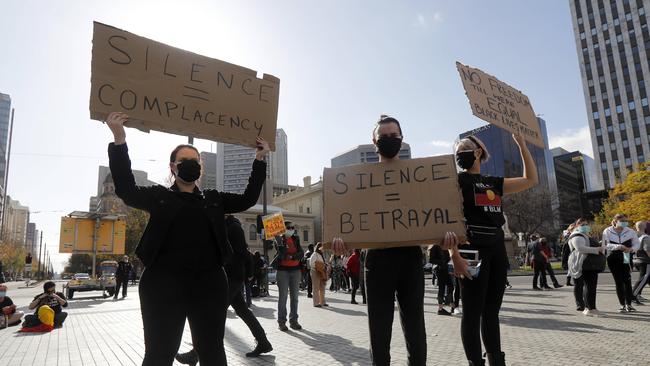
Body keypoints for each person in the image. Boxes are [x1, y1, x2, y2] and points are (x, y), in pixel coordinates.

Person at [105, 111, 269, 366]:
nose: (191, 164)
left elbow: (248, 198)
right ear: (173, 166)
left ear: (200, 168)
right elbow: (126, 190)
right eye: (184, 160)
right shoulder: (159, 196)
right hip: (163, 285)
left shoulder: (214, 199)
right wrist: (119, 140)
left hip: (210, 284)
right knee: (159, 353)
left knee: (212, 352)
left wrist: (259, 160)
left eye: (195, 161)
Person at [332, 115, 464, 365]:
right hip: (377, 260)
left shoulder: (418, 178)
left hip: (410, 257)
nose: (390, 140)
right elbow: (352, 220)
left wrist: (446, 241)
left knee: (415, 327)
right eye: (384, 137)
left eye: (394, 136)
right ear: (374, 141)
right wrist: (341, 241)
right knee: (378, 331)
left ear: (402, 139)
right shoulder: (361, 181)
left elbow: (434, 218)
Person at [454, 133, 538, 366]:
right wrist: (454, 254)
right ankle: (475, 362)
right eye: (458, 152)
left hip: (496, 249)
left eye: (465, 149)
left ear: (478, 152)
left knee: (491, 311)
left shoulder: (493, 182)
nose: (460, 154)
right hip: (471, 250)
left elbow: (530, 179)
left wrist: (521, 145)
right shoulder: (456, 182)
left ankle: (496, 360)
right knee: (471, 312)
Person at [175, 216, 273, 365]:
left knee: (213, 316)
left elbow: (242, 253)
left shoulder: (233, 227)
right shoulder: (223, 225)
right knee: (243, 311)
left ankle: (196, 354)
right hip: (230, 277)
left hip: (231, 277)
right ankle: (263, 342)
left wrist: (227, 265)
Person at [602, 213, 641, 313]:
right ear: (615, 221)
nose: (624, 223)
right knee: (618, 281)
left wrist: (632, 249)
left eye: (625, 221)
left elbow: (637, 244)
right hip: (613, 257)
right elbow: (605, 245)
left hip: (626, 256)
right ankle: (622, 305)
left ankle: (629, 304)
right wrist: (618, 246)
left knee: (627, 280)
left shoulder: (630, 231)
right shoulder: (607, 231)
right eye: (622, 221)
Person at [567, 218, 606, 316]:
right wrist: (597, 249)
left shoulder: (582, 235)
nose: (585, 226)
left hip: (587, 263)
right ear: (577, 225)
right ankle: (591, 309)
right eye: (582, 224)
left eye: (586, 224)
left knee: (589, 287)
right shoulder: (577, 236)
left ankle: (588, 308)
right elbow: (580, 248)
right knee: (590, 287)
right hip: (585, 263)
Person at [272, 222, 304, 331]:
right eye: (288, 228)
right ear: (283, 229)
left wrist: (292, 256)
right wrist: (280, 241)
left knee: (294, 297)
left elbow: (301, 253)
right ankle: (282, 322)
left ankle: (293, 321)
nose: (291, 229)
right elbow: (282, 254)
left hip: (296, 271)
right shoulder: (279, 239)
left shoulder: (296, 238)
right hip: (283, 271)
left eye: (292, 228)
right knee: (283, 297)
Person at [430, 244, 460, 315]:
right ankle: (440, 309)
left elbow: (448, 257)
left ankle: (451, 304)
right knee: (442, 288)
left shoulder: (446, 245)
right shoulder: (435, 246)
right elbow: (431, 260)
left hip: (446, 269)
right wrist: (442, 262)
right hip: (440, 270)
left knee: (451, 286)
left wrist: (449, 259)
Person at [632, 220, 650, 303]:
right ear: (645, 227)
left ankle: (636, 295)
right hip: (645, 261)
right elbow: (648, 250)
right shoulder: (645, 237)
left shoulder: (634, 237)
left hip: (636, 260)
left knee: (647, 278)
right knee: (644, 279)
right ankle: (633, 295)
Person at [309, 243, 329, 307]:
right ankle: (316, 303)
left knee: (322, 287)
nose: (323, 249)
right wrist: (320, 266)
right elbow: (311, 263)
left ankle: (323, 302)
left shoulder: (321, 255)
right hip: (315, 272)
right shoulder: (315, 254)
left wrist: (324, 265)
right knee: (316, 288)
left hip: (321, 272)